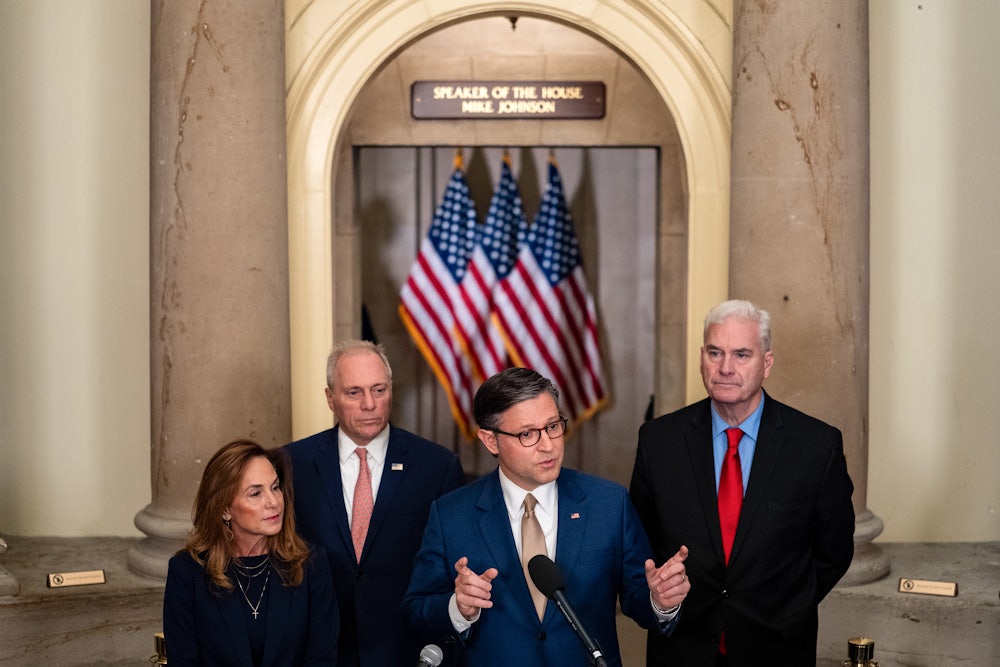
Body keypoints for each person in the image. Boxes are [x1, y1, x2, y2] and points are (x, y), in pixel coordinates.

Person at [402, 367, 691, 667]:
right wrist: (457, 608)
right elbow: (415, 613)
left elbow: (639, 598)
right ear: (491, 441)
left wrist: (661, 600)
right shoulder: (451, 514)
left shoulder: (609, 504)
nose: (548, 445)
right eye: (528, 434)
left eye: (553, 426)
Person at [629, 299, 855, 666]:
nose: (725, 368)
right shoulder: (659, 441)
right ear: (702, 357)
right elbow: (638, 546)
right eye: (715, 353)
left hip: (777, 648)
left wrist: (787, 606)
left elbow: (834, 551)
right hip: (682, 648)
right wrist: (659, 599)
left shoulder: (816, 446)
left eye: (742, 355)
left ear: (767, 363)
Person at [286, 339, 466, 666]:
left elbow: (450, 574)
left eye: (379, 390)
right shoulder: (292, 464)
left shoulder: (437, 467)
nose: (369, 404)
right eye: (354, 392)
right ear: (330, 398)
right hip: (320, 652)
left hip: (406, 650)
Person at [163, 440, 338, 666]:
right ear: (224, 508)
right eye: (255, 493)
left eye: (275, 487)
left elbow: (321, 660)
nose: (274, 502)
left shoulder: (311, 564)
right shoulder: (187, 571)